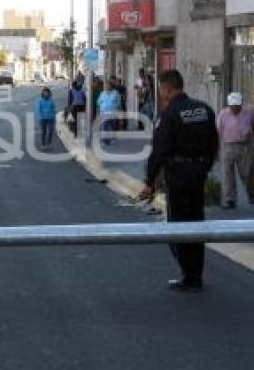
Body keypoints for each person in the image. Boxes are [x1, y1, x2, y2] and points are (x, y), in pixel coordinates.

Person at [138, 69, 219, 293]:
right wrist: (204, 168)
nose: (161, 94)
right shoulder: (205, 110)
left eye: (162, 90)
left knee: (178, 225)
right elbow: (214, 143)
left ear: (168, 89)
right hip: (199, 174)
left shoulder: (169, 114)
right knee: (196, 222)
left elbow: (159, 151)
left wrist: (149, 182)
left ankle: (189, 276)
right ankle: (196, 274)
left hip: (179, 175)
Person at [216, 92, 254, 209]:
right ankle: (229, 199)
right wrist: (218, 149)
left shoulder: (250, 111)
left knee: (247, 173)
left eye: (237, 106)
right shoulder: (223, 114)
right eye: (233, 106)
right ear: (229, 105)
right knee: (227, 174)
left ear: (241, 104)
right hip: (228, 146)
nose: (235, 108)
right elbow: (218, 131)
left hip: (244, 146)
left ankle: (252, 194)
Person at [97, 79, 121, 146]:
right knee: (105, 126)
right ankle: (106, 141)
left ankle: (109, 138)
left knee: (111, 127)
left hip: (113, 113)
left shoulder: (116, 93)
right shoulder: (102, 93)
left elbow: (119, 104)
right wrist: (98, 112)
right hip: (104, 113)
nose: (106, 87)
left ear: (111, 86)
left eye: (108, 85)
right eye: (106, 86)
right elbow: (99, 103)